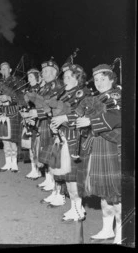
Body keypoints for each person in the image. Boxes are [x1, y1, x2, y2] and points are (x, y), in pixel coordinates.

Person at [75, 64, 122, 244]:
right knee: (104, 191)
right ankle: (106, 229)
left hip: (113, 146)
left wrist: (91, 121)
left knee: (115, 193)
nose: (100, 82)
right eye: (96, 79)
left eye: (103, 78)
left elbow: (117, 116)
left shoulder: (116, 95)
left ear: (112, 79)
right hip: (100, 144)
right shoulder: (97, 97)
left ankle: (121, 232)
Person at [44, 63, 90, 212]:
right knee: (65, 174)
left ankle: (77, 209)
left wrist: (64, 117)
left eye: (69, 77)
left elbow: (80, 114)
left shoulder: (82, 93)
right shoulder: (63, 93)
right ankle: (74, 207)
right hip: (62, 137)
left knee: (72, 177)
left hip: (74, 138)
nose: (66, 79)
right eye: (65, 77)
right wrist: (54, 125)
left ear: (78, 79)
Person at [33, 59, 63, 191]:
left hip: (52, 122)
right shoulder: (45, 87)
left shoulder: (56, 86)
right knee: (44, 149)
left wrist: (37, 113)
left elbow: (50, 106)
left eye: (46, 71)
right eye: (43, 71)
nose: (43, 74)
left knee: (50, 152)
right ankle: (48, 178)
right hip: (43, 121)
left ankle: (53, 182)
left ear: (55, 73)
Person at [0, 62, 23, 173]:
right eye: (2, 69)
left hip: (13, 112)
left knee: (12, 140)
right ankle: (7, 163)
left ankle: (14, 164)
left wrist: (9, 98)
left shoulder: (17, 82)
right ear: (0, 71)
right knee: (5, 140)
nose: (4, 70)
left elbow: (22, 98)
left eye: (6, 68)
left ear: (10, 70)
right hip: (2, 114)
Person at [18, 68, 43, 180]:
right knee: (31, 147)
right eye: (28, 77)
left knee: (38, 147)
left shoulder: (40, 90)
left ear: (37, 78)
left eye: (31, 77)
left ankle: (40, 171)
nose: (29, 79)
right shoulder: (28, 90)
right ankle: (34, 169)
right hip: (28, 119)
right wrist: (23, 112)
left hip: (38, 120)